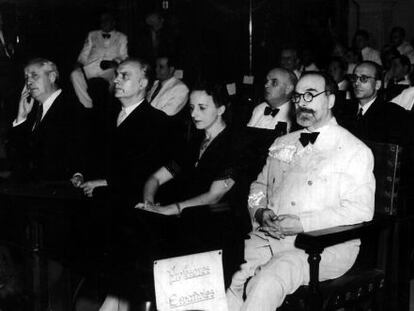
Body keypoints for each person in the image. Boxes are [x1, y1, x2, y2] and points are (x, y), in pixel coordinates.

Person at [226, 71, 375, 311]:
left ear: (331, 100)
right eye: (297, 97)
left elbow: (361, 211)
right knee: (223, 268)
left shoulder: (354, 150)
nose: (302, 103)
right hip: (269, 237)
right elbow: (258, 187)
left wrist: (302, 224)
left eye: (310, 95)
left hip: (322, 247)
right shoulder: (282, 143)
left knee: (266, 282)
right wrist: (259, 211)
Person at [72, 58, 169, 204]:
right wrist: (80, 174)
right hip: (92, 197)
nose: (116, 80)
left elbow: (144, 170)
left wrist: (104, 183)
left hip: (126, 203)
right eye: (117, 74)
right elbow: (91, 151)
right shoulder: (105, 113)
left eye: (124, 76)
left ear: (142, 83)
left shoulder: (157, 121)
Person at [138, 81, 236, 215]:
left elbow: (215, 196)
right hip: (184, 214)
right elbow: (156, 178)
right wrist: (148, 204)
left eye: (202, 107)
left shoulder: (234, 144)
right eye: (191, 108)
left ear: (221, 110)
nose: (194, 114)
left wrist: (170, 209)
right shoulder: (194, 143)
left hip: (215, 218)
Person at [7, 58, 84, 181]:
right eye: (26, 78)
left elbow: (80, 151)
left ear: (52, 77)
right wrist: (21, 117)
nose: (29, 82)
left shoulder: (71, 108)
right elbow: (16, 157)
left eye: (34, 76)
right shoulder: (31, 111)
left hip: (55, 189)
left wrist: (78, 174)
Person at [340, 61, 408, 145]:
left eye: (363, 78)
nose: (356, 83)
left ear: (377, 84)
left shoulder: (392, 114)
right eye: (354, 78)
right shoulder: (343, 110)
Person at [70, 12, 128, 108]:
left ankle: (112, 103)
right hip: (91, 67)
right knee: (74, 74)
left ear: (113, 23)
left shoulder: (122, 37)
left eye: (107, 20)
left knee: (117, 76)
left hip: (108, 69)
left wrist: (115, 62)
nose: (103, 23)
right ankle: (87, 104)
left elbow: (124, 56)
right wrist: (79, 62)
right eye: (102, 21)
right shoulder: (92, 34)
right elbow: (85, 53)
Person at [247, 67, 297, 133]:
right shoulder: (259, 108)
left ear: (288, 89)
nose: (266, 85)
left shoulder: (293, 116)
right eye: (267, 81)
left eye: (274, 82)